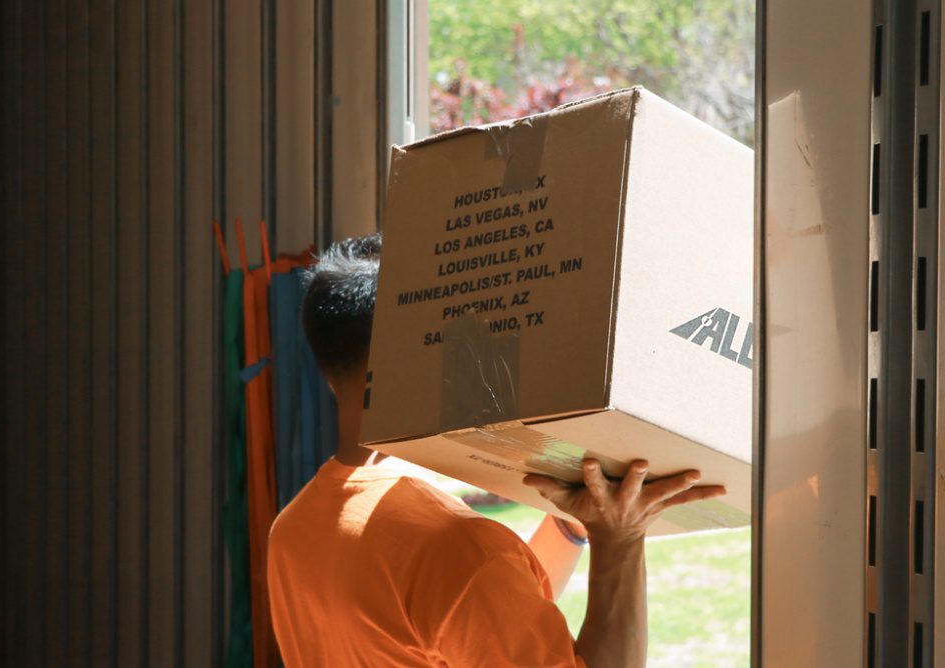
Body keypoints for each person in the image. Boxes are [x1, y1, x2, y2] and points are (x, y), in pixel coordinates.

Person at [267, 234, 726, 667]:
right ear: (415, 357)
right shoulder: (453, 549)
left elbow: (479, 617)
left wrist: (574, 524)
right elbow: (468, 589)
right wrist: (621, 540)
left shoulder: (292, 530)